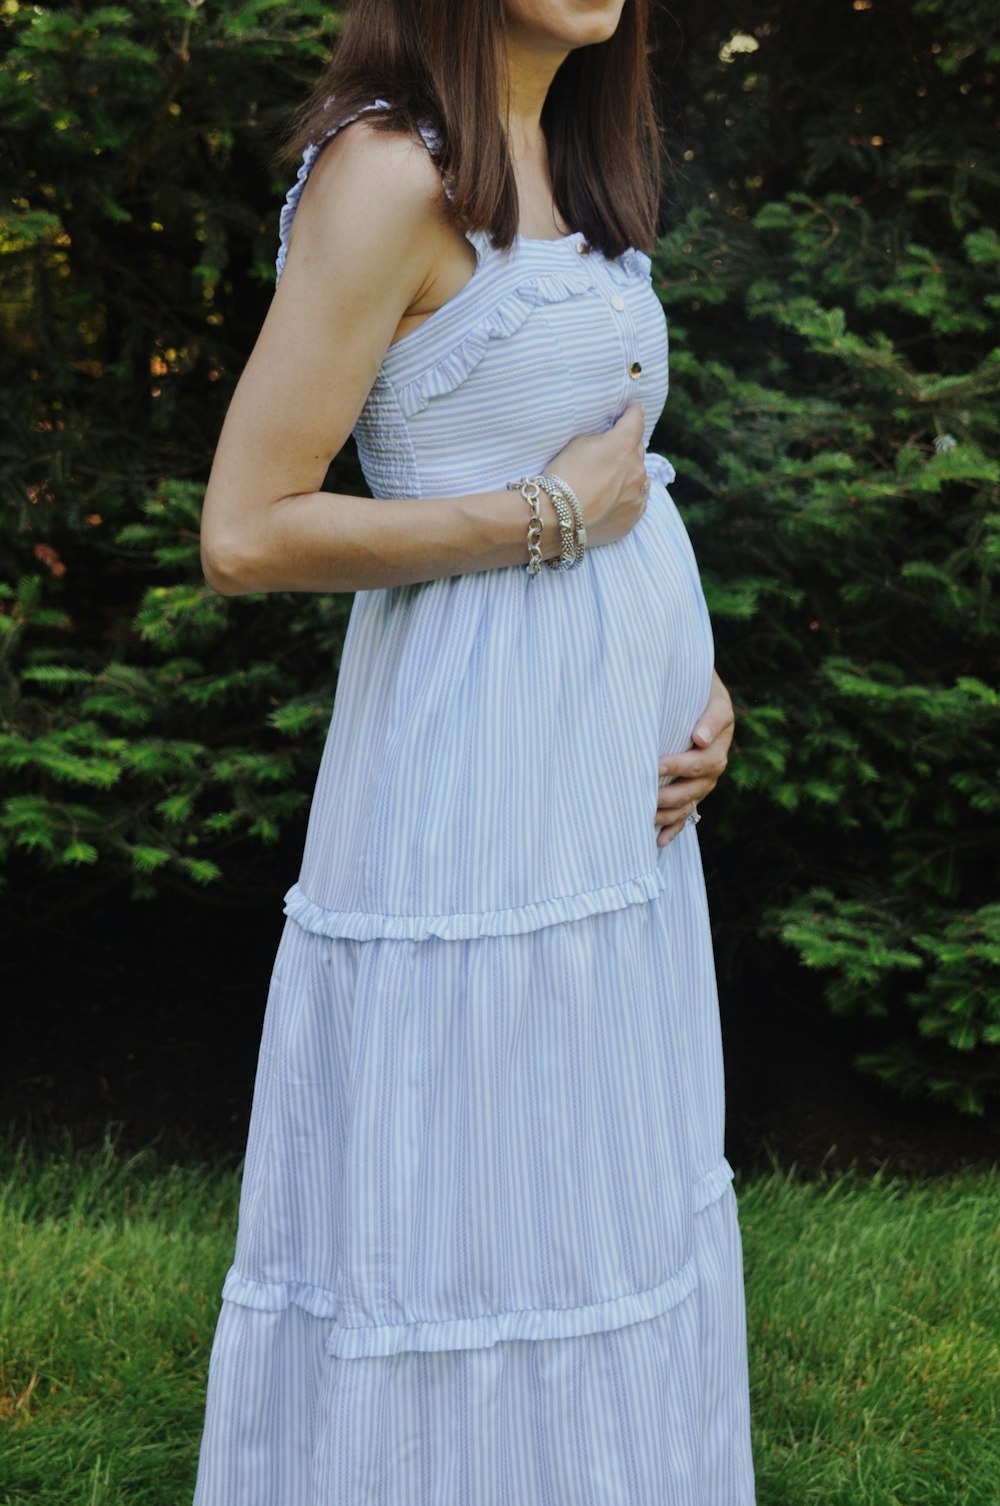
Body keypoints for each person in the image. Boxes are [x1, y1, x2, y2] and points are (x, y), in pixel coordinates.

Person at [193, 0, 756, 1500]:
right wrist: (542, 521)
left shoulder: (571, 156)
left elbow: (625, 471)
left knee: (602, 1199)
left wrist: (700, 689)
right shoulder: (390, 173)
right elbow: (247, 529)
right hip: (476, 786)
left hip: (621, 815)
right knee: (471, 1198)